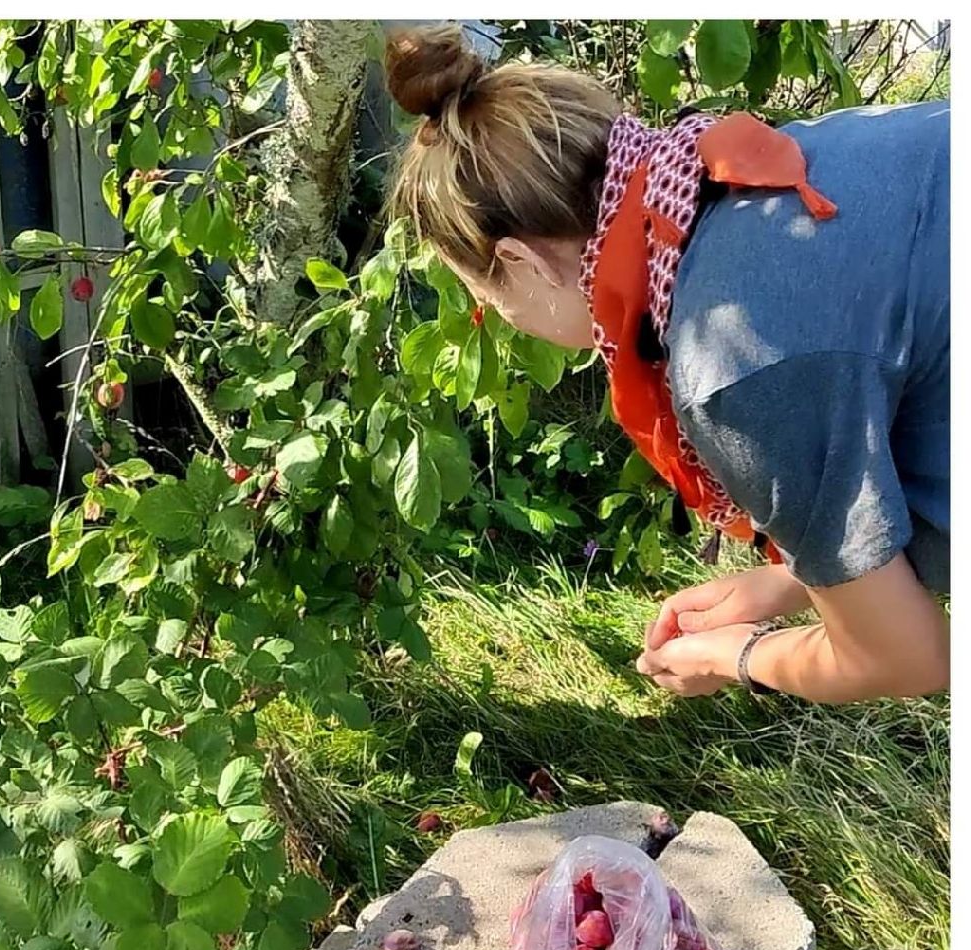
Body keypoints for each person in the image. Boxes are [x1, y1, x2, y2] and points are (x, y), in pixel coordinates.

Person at [384, 25, 949, 704]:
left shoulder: (732, 365)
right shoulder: (778, 165)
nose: (501, 317)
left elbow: (905, 659)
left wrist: (739, 656)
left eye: (484, 297)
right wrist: (794, 579)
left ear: (519, 263)